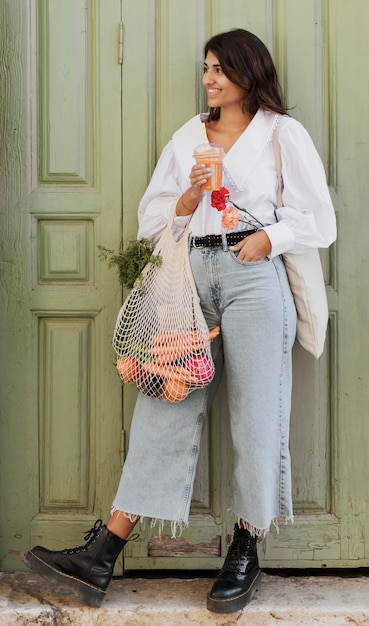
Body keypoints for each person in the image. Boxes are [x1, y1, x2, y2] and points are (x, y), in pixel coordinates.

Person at [24, 28, 336, 613]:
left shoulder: (281, 134)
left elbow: (319, 220)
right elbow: (151, 219)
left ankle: (245, 548)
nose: (209, 78)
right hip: (190, 280)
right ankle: (103, 552)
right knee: (164, 403)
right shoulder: (188, 137)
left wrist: (269, 237)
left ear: (249, 72)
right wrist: (188, 200)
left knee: (256, 412)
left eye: (220, 68)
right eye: (206, 68)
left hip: (253, 281)